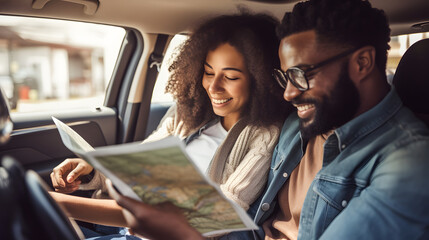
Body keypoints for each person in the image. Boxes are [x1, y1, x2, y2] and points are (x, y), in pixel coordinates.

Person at [106, 0, 429, 239]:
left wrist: (184, 233)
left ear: (362, 63)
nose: (288, 93)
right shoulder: (298, 127)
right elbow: (253, 229)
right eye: (284, 76)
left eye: (302, 75)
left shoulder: (410, 164)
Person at [49, 13, 291, 238]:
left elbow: (216, 218)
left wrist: (62, 205)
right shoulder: (185, 114)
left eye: (230, 77)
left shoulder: (264, 135)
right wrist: (90, 170)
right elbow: (133, 171)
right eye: (208, 72)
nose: (214, 87)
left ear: (261, 80)